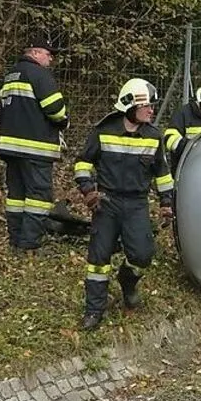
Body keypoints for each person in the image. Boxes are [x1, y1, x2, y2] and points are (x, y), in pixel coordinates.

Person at [73, 78, 174, 331]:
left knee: (142, 255)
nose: (152, 110)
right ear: (130, 106)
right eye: (147, 106)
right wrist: (88, 190)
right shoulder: (103, 130)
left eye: (152, 106)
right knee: (98, 259)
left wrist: (166, 203)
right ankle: (94, 310)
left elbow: (162, 173)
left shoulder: (153, 136)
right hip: (106, 203)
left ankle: (127, 282)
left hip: (137, 204)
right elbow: (83, 163)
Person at [0, 36, 68, 254]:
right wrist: (64, 121)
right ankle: (29, 245)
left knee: (16, 196)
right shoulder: (39, 75)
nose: (51, 59)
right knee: (38, 197)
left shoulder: (10, 75)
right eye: (48, 54)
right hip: (35, 148)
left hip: (11, 147)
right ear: (35, 53)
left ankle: (15, 241)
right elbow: (56, 109)